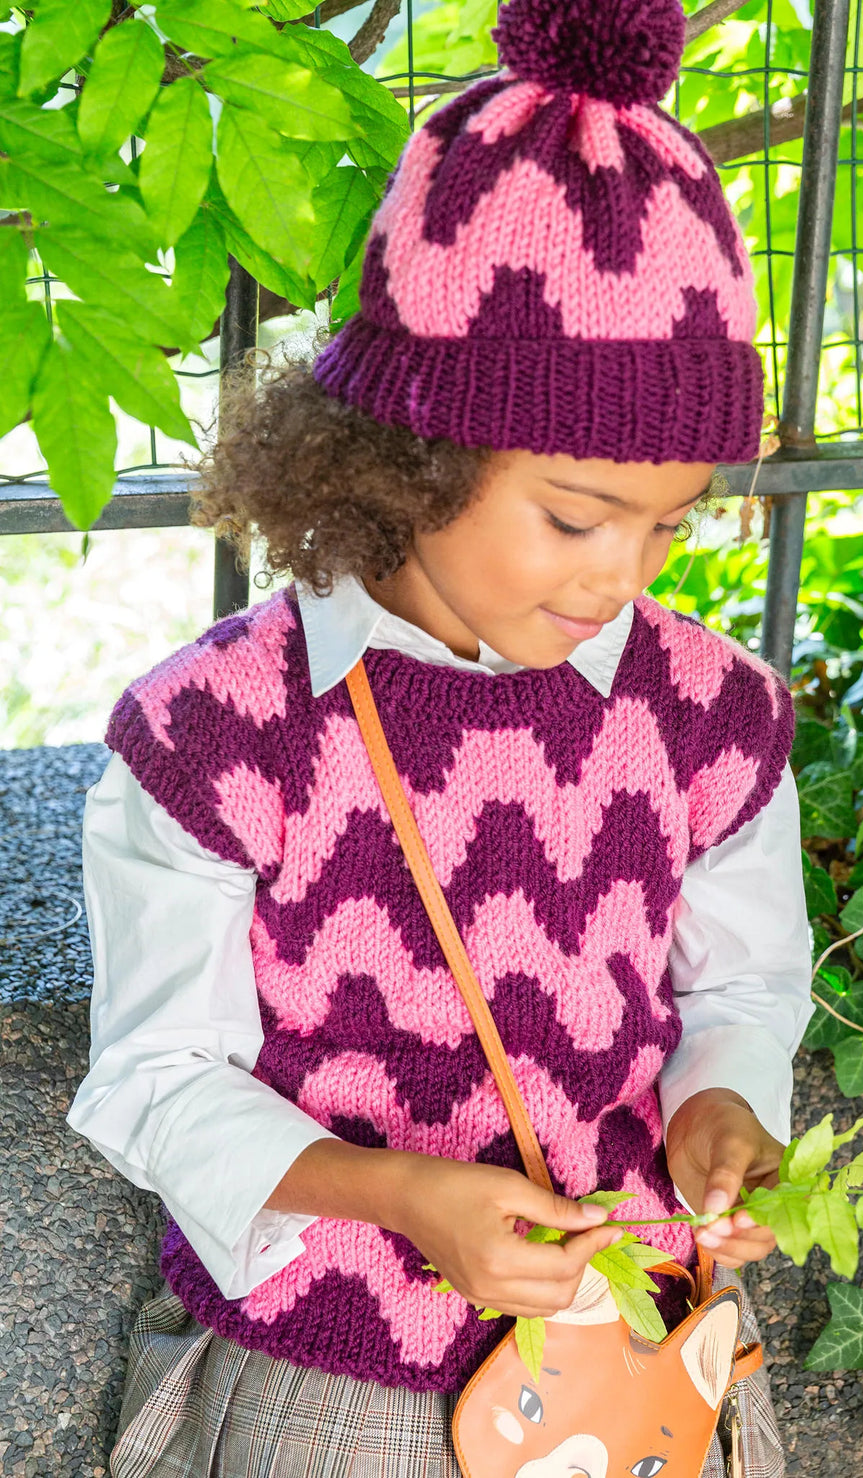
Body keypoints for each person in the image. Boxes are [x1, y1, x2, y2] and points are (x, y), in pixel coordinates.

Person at [67, 0, 813, 1473]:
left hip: (637, 1368)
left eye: (670, 524)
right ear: (413, 445)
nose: (622, 574)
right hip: (337, 1386)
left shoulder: (709, 714)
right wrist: (405, 1195)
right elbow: (157, 1077)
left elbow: (747, 984)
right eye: (575, 516)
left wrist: (727, 1106)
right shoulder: (218, 733)